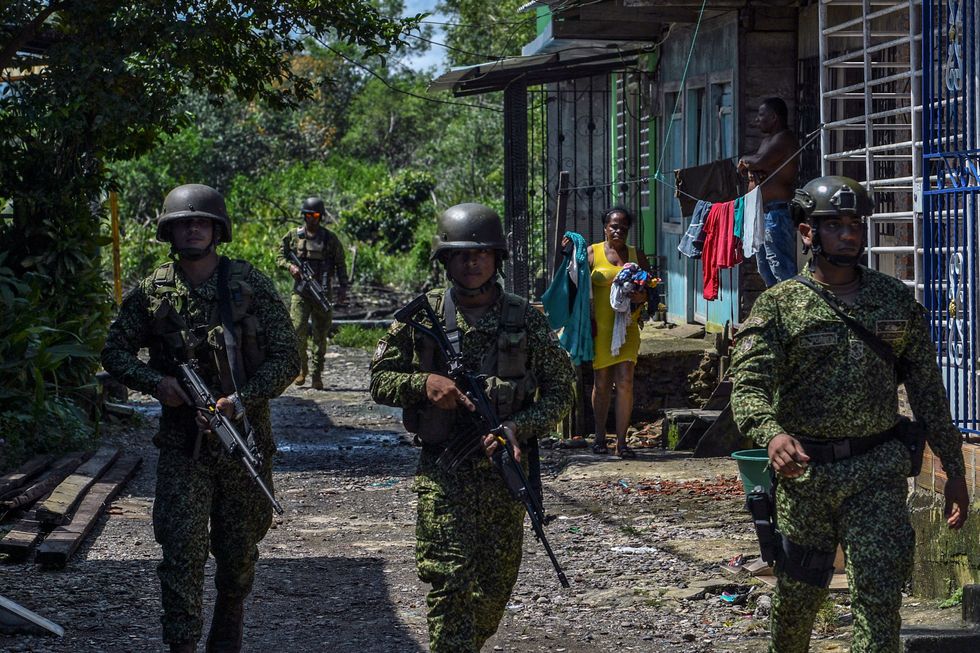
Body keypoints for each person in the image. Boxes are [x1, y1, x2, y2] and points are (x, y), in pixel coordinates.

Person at [730, 176, 969, 653]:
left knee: (879, 603)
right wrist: (772, 433)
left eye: (855, 224)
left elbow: (928, 393)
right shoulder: (780, 305)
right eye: (834, 225)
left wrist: (953, 470)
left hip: (876, 472)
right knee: (798, 602)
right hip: (807, 479)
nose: (849, 234)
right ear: (807, 234)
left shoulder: (894, 300)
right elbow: (748, 386)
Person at [102, 184, 299, 653]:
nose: (193, 228)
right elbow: (114, 351)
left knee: (237, 555)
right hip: (182, 448)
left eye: (202, 222)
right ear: (170, 231)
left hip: (243, 441)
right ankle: (183, 645)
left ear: (216, 229)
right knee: (181, 554)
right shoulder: (153, 291)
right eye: (184, 222)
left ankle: (230, 615)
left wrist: (243, 398)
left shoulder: (247, 285)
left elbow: (288, 357)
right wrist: (158, 385)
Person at [370, 203, 574, 653]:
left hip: (506, 476)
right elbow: (379, 379)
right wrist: (424, 383)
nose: (472, 262)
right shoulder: (421, 318)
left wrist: (518, 427)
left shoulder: (524, 318)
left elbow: (563, 391)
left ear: (497, 258)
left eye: (481, 253)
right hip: (444, 474)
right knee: (449, 582)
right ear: (445, 260)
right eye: (461, 254)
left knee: (493, 590)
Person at [567, 206, 651, 458]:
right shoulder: (592, 253)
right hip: (599, 328)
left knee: (625, 381)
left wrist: (641, 295)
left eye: (623, 227)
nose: (618, 230)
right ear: (605, 227)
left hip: (627, 326)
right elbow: (574, 282)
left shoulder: (636, 255)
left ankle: (622, 443)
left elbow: (650, 288)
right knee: (602, 383)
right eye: (613, 225)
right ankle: (600, 436)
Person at [277, 196, 348, 390]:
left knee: (320, 335)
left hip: (322, 293)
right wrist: (290, 266)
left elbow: (341, 263)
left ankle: (317, 375)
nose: (311, 218)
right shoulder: (294, 235)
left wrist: (343, 287)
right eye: (308, 215)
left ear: (321, 216)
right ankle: (302, 369)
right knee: (297, 330)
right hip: (301, 292)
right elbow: (279, 255)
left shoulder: (329, 238)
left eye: (315, 215)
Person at [737, 97, 801, 287]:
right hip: (761, 213)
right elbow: (754, 162)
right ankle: (777, 310)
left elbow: (758, 162)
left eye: (761, 115)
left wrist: (747, 161)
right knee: (764, 269)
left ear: (773, 117)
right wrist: (749, 163)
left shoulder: (784, 138)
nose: (757, 120)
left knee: (780, 266)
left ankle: (791, 311)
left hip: (776, 213)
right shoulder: (767, 140)